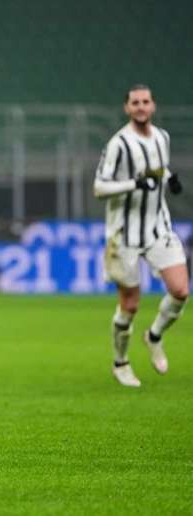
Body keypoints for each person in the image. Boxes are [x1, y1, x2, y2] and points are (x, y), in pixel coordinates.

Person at [94, 84, 188, 387]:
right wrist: (133, 185)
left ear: (153, 106)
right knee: (130, 305)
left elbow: (158, 169)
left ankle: (154, 335)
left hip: (158, 227)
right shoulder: (119, 144)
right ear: (127, 108)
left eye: (145, 102)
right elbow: (99, 187)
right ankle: (120, 363)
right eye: (135, 102)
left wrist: (169, 179)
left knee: (180, 290)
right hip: (125, 233)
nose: (141, 107)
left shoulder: (163, 138)